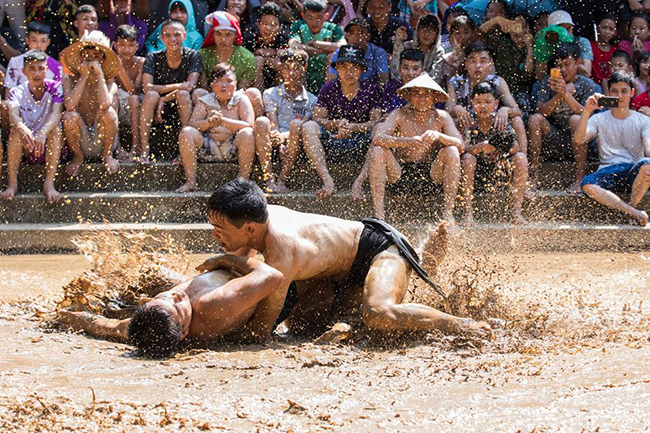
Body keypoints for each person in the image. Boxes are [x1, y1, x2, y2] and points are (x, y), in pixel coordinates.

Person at [198, 178, 491, 342]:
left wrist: (209, 332)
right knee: (303, 327)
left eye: (219, 230)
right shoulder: (255, 214)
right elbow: (237, 275)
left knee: (378, 313)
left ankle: (460, 323)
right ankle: (420, 266)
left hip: (376, 248)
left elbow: (260, 330)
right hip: (333, 270)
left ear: (249, 228)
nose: (215, 236)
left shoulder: (280, 253)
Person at [57, 257, 285, 358]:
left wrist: (65, 315)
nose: (176, 294)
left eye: (162, 297)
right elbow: (273, 275)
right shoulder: (213, 305)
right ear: (184, 333)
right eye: (177, 303)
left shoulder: (146, 328)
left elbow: (105, 326)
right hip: (274, 293)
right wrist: (224, 259)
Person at [366, 74, 464, 222]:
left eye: (426, 94)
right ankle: (379, 216)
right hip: (400, 174)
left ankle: (448, 215)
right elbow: (377, 138)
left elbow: (461, 145)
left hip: (432, 175)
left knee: (451, 150)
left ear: (434, 97)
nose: (421, 98)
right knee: (378, 150)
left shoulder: (442, 116)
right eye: (416, 93)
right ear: (410, 96)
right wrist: (407, 141)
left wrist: (439, 136)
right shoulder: (399, 114)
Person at [302, 45, 383, 198]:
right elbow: (317, 117)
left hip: (361, 140)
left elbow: (377, 120)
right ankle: (327, 181)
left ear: (361, 70)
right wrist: (335, 124)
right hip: (333, 138)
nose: (349, 72)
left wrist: (355, 127)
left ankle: (359, 182)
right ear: (337, 68)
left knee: (380, 129)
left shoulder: (371, 89)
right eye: (344, 67)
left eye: (354, 67)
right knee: (308, 127)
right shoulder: (329, 88)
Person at [576, 71, 650, 226]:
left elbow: (648, 148)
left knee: (647, 166)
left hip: (634, 171)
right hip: (608, 170)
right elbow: (579, 138)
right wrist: (587, 111)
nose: (620, 96)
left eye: (624, 91)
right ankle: (633, 212)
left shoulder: (643, 120)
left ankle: (632, 208)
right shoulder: (598, 118)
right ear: (608, 92)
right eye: (615, 91)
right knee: (587, 184)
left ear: (632, 93)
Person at [350, 48, 425, 200]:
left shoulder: (428, 90)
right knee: (378, 130)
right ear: (399, 69)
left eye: (415, 68)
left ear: (422, 70)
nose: (410, 73)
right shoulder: (391, 88)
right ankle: (359, 181)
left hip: (420, 145)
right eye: (406, 67)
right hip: (394, 143)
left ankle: (360, 182)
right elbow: (381, 118)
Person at [529, 42, 601, 193]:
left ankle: (579, 178)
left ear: (578, 63)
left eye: (567, 64)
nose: (562, 69)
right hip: (554, 137)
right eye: (558, 65)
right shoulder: (548, 82)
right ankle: (533, 176)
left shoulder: (588, 84)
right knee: (535, 119)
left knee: (575, 119)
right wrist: (558, 95)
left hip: (581, 138)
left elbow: (587, 113)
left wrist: (566, 95)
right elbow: (541, 112)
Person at [176, 63, 255, 193]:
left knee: (247, 133)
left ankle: (244, 181)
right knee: (186, 132)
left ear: (236, 84)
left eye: (229, 81)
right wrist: (208, 122)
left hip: (233, 147)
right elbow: (192, 124)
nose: (224, 85)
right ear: (212, 85)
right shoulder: (205, 101)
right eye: (219, 82)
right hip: (209, 147)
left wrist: (223, 122)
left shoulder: (242, 99)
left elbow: (250, 125)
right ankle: (191, 181)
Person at [447, 42, 528, 165]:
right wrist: (456, 109)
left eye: (483, 61)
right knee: (455, 121)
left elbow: (517, 111)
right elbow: (446, 114)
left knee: (517, 120)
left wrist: (505, 110)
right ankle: (458, 162)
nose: (478, 66)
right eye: (473, 61)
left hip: (493, 128)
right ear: (466, 63)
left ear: (490, 64)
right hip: (469, 129)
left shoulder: (498, 82)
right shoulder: (455, 82)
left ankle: (523, 161)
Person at [459, 82, 528, 226]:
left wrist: (498, 146)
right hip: (476, 173)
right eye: (478, 102)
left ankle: (517, 212)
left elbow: (515, 147)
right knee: (467, 158)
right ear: (472, 102)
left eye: (487, 102)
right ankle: (468, 213)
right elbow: (464, 149)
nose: (483, 106)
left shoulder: (500, 121)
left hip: (499, 172)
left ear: (496, 103)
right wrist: (482, 147)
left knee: (520, 158)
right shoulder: (468, 121)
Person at [1, 50, 64, 203]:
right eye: (32, 69)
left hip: (49, 143)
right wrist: (24, 129)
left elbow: (57, 113)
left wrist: (43, 132)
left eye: (41, 68)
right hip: (27, 144)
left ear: (47, 70)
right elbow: (13, 114)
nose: (37, 73)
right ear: (24, 71)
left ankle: (49, 184)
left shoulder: (55, 87)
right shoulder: (17, 91)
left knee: (55, 130)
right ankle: (12, 184)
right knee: (16, 130)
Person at [253, 49, 317, 193]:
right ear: (281, 68)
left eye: (296, 68)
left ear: (304, 68)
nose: (292, 73)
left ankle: (282, 179)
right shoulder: (270, 93)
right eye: (287, 68)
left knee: (296, 125)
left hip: (295, 138)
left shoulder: (312, 100)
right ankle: (269, 179)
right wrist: (279, 142)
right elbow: (273, 123)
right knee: (262, 121)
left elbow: (302, 124)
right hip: (274, 136)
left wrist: (284, 139)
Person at [140, 19, 203, 163]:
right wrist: (177, 87)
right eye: (167, 35)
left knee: (183, 94)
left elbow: (190, 86)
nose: (172, 39)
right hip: (157, 108)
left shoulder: (193, 55)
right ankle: (144, 149)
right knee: (150, 95)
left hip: (183, 104)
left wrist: (165, 97)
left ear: (185, 35)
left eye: (177, 34)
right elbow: (147, 87)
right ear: (161, 37)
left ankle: (186, 149)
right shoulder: (153, 57)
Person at [60, 30, 121, 176]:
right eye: (86, 55)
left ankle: (107, 155)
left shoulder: (109, 83)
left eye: (96, 56)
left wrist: (100, 75)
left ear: (103, 60)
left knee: (108, 112)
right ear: (80, 57)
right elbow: (69, 105)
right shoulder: (69, 79)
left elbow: (105, 104)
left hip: (103, 140)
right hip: (81, 139)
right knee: (69, 116)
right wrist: (83, 77)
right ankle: (78, 156)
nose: (90, 59)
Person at [288, 0, 346, 95]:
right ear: (303, 16)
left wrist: (315, 43)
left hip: (325, 73)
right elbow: (293, 45)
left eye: (319, 18)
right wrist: (323, 51)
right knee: (297, 54)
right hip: (304, 74)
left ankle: (328, 95)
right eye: (309, 17)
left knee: (332, 55)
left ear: (326, 16)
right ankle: (300, 97)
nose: (314, 22)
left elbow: (342, 46)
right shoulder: (298, 25)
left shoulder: (333, 28)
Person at [4, 21, 62, 97]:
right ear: (27, 40)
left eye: (43, 41)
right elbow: (9, 93)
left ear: (48, 42)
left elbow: (58, 95)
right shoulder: (15, 62)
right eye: (34, 40)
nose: (38, 45)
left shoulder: (56, 66)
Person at [113, 25, 145, 161]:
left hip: (136, 107)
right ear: (114, 45)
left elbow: (134, 91)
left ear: (137, 46)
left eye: (131, 45)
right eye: (122, 45)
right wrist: (116, 65)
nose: (126, 49)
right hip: (117, 108)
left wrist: (120, 69)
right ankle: (117, 147)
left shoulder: (141, 62)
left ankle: (136, 146)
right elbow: (110, 88)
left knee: (133, 99)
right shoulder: (110, 63)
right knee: (113, 98)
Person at [328, 18, 389, 87]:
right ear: (347, 36)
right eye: (351, 33)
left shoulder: (378, 53)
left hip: (370, 93)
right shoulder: (338, 53)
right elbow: (330, 84)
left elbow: (384, 83)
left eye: (361, 33)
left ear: (368, 36)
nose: (356, 37)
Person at [243, 2, 290, 90]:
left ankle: (278, 95)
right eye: (264, 23)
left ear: (280, 27)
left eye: (273, 24)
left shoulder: (283, 39)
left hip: (275, 79)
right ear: (258, 24)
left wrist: (267, 56)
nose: (268, 28)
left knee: (280, 63)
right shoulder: (250, 39)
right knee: (258, 60)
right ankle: (259, 94)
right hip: (253, 82)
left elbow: (283, 56)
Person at [391, 14, 443, 83]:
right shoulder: (406, 46)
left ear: (437, 35)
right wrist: (398, 41)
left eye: (432, 30)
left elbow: (435, 77)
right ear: (417, 31)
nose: (427, 33)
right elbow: (394, 70)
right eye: (423, 29)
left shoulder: (438, 52)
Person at [590, 14, 617, 86]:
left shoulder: (616, 50)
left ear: (615, 32)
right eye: (604, 27)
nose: (607, 32)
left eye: (611, 29)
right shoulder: (590, 46)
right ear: (597, 28)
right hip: (593, 85)